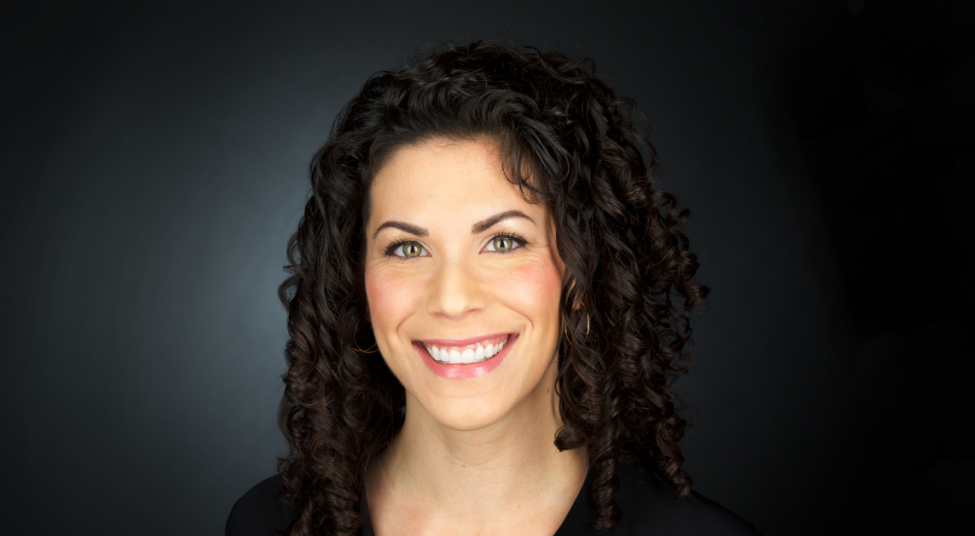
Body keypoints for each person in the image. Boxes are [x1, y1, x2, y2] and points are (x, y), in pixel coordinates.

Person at [227, 41, 760, 536]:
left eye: (504, 242)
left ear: (582, 275)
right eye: (408, 248)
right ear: (357, 283)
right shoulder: (269, 524)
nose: (453, 299)